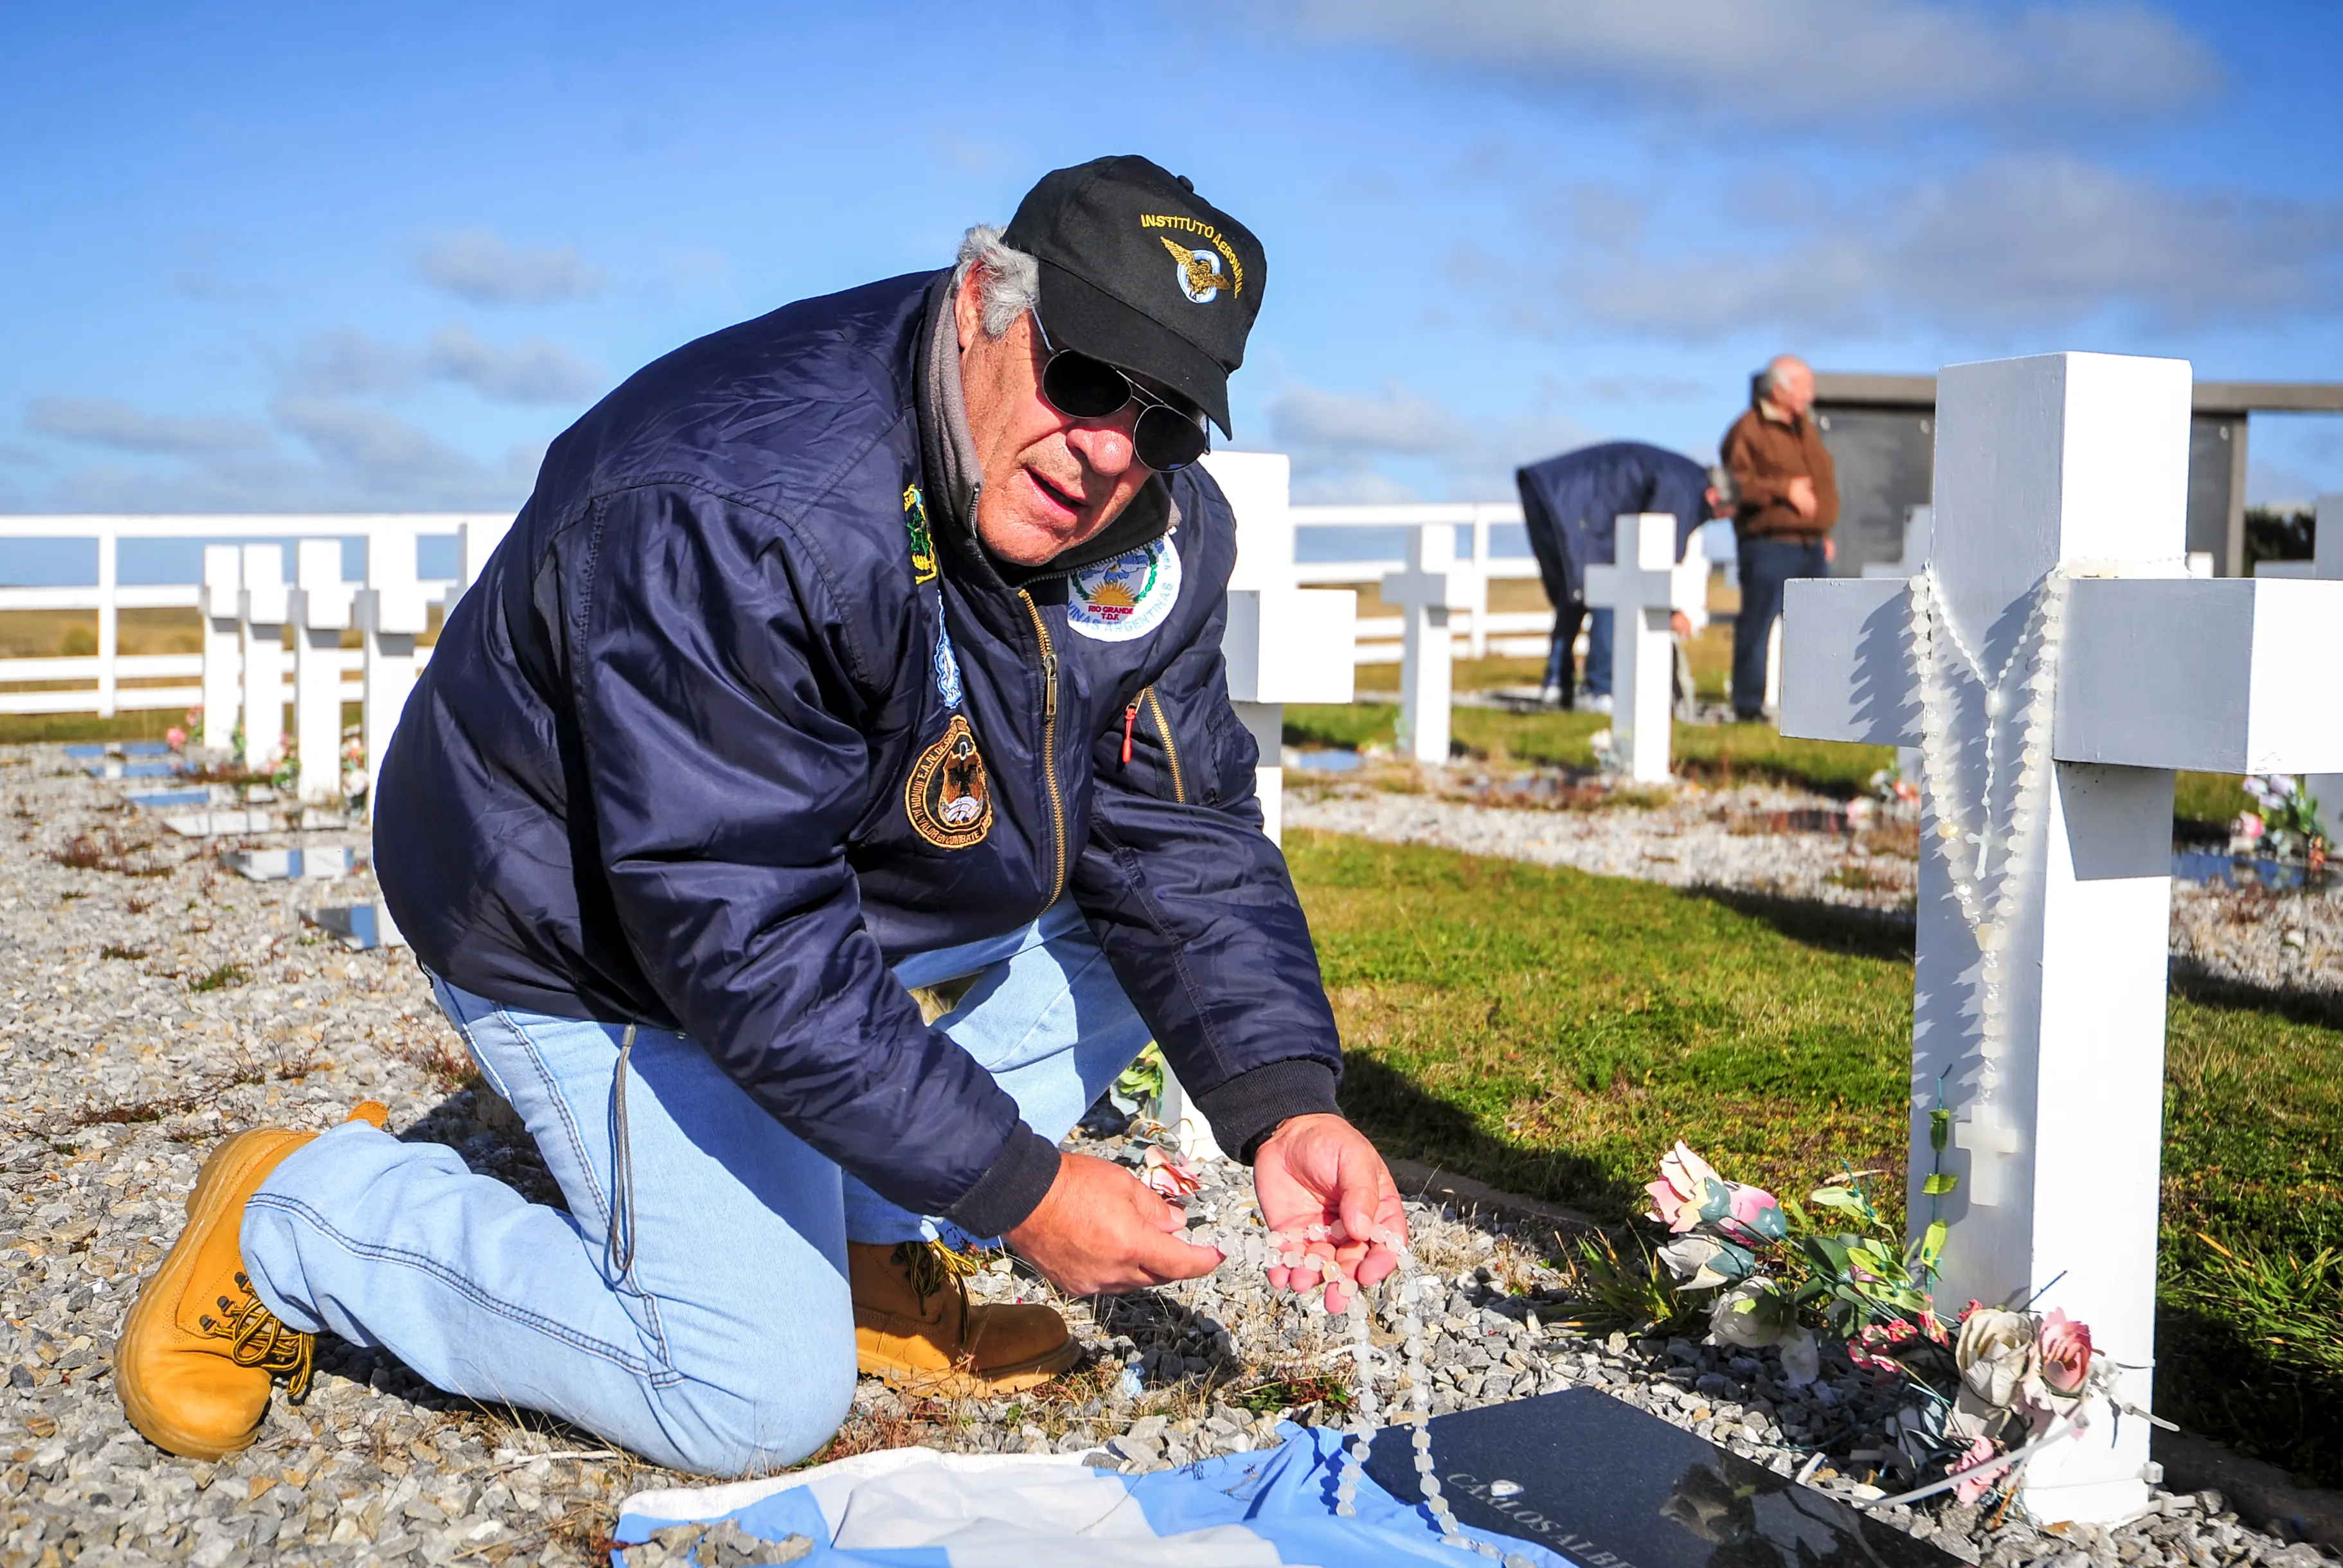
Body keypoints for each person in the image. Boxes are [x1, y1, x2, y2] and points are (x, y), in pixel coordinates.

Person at [113, 155, 1407, 1476]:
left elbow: (1181, 833)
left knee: (1121, 941)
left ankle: (858, 1245)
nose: (1112, 451)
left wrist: (1283, 1105)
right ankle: (299, 1216)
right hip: (586, 929)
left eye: (1172, 420)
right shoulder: (736, 500)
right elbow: (735, 917)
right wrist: (1022, 1191)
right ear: (981, 301)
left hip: (834, 884)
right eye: (1086, 379)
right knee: (748, 1396)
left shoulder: (1157, 527)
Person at [1513, 441, 1730, 709]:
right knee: (1611, 592)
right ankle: (1600, 688)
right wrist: (1669, 611)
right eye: (1719, 515)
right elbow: (1654, 555)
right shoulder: (1683, 490)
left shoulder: (1680, 477)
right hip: (1572, 503)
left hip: (1555, 492)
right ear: (1714, 497)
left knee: (1578, 590)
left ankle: (1557, 682)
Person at [1721, 354, 1839, 721]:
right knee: (1758, 626)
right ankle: (1748, 706)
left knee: (1815, 628)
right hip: (1769, 544)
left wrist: (1822, 530)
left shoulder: (1805, 428)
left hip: (1811, 546)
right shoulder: (1747, 430)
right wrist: (1783, 490)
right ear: (1780, 389)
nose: (1811, 394)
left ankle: (1815, 708)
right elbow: (1734, 486)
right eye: (1804, 386)